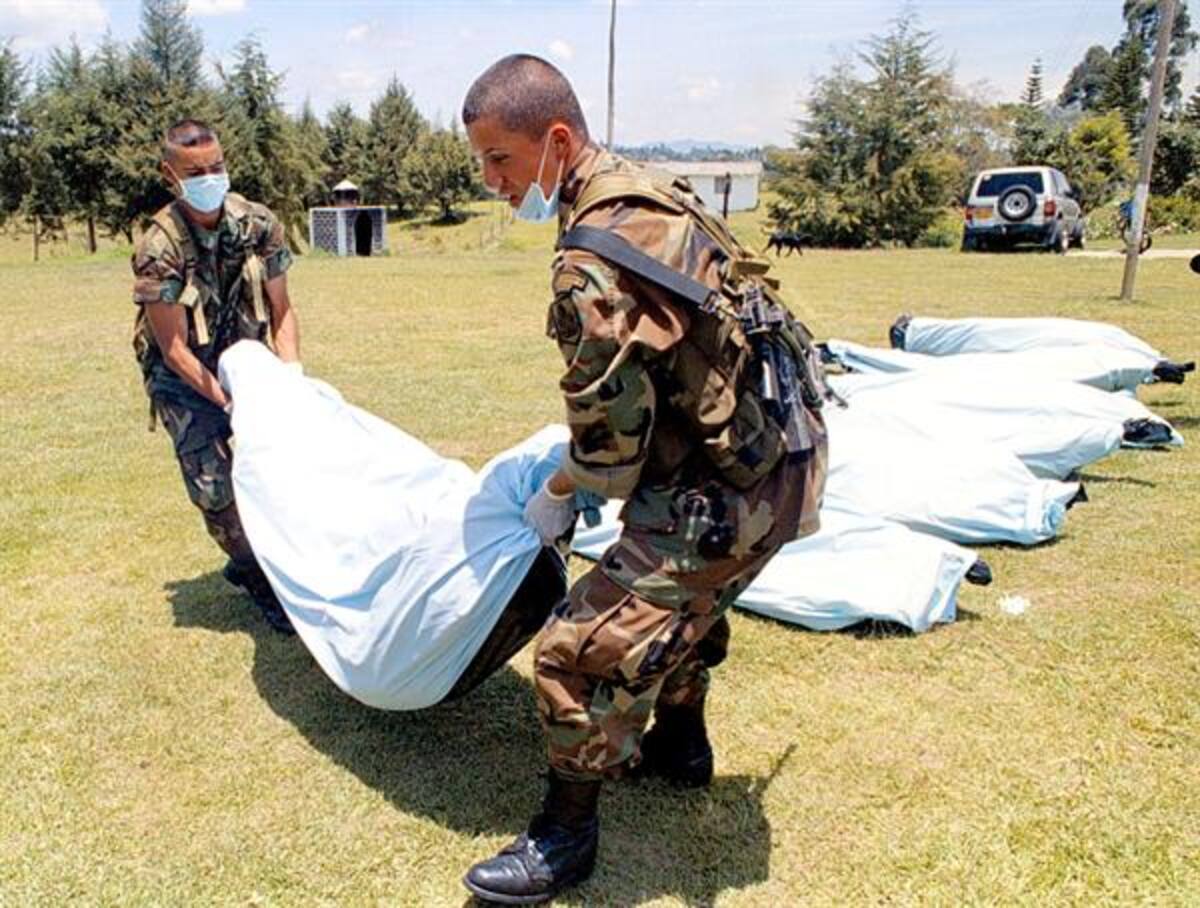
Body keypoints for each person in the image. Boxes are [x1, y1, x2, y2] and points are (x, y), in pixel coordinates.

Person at [461, 55, 829, 903]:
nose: (491, 181)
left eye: (501, 160)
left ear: (556, 140)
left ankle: (566, 834)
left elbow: (607, 443)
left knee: (579, 650)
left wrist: (557, 496)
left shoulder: (593, 252)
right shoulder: (642, 191)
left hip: (728, 489)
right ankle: (680, 748)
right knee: (678, 612)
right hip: (779, 458)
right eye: (481, 163)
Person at [130, 119, 299, 633]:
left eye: (217, 167)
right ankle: (255, 577)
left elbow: (283, 309)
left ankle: (284, 564)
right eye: (195, 171)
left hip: (247, 365)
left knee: (279, 469)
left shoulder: (258, 223)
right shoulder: (159, 249)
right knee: (217, 488)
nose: (210, 177)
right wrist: (227, 404)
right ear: (170, 175)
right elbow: (173, 347)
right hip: (185, 378)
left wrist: (291, 380)